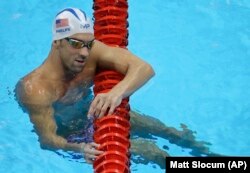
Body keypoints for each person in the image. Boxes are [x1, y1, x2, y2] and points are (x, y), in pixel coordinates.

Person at [15, 7, 217, 169]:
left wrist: (116, 93)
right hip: (77, 137)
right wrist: (78, 148)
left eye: (89, 44)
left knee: (169, 132)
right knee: (152, 151)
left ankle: (221, 162)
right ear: (57, 42)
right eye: (76, 44)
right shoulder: (35, 89)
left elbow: (144, 68)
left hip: (95, 113)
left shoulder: (89, 55)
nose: (85, 53)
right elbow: (48, 139)